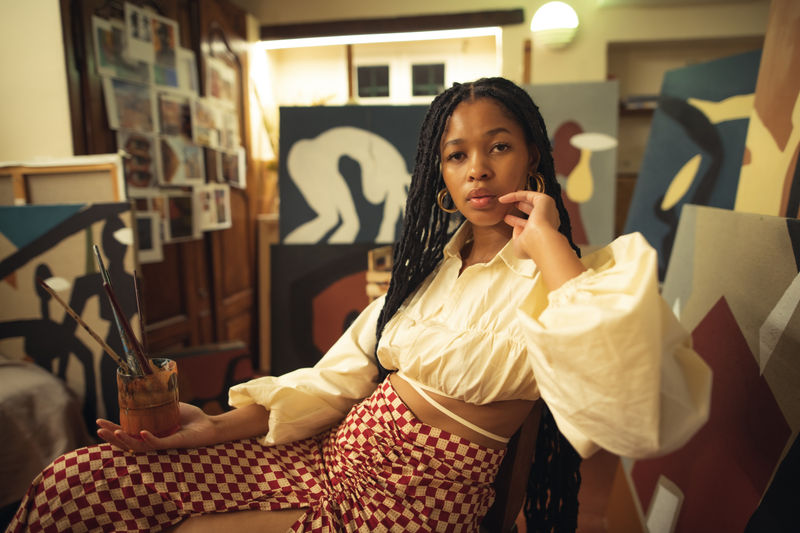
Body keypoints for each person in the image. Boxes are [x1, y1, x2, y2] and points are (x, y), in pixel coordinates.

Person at [7, 77, 710, 533]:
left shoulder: (580, 276)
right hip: (327, 461)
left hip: (404, 509)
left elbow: (636, 408)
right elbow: (332, 380)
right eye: (456, 155)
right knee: (79, 477)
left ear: (531, 156)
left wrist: (550, 246)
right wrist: (211, 426)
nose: (478, 169)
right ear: (439, 173)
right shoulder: (425, 274)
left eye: (498, 147)